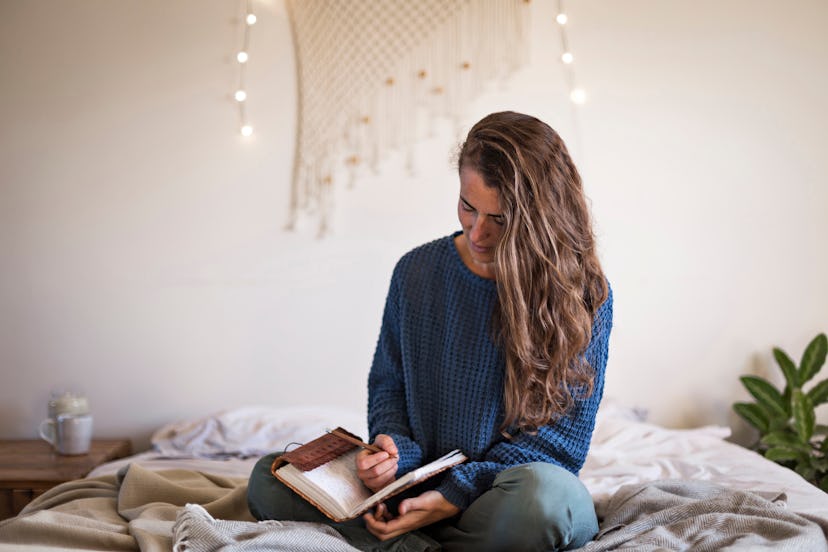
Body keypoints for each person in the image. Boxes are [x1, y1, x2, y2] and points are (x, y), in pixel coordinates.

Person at [248, 111, 613, 552]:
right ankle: (417, 541)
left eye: (500, 218)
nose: (478, 232)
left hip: (495, 498)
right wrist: (392, 451)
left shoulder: (582, 294)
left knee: (550, 500)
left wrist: (454, 496)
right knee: (271, 477)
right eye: (467, 206)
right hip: (413, 493)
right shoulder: (416, 271)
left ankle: (405, 544)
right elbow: (389, 386)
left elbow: (559, 447)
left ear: (540, 217)